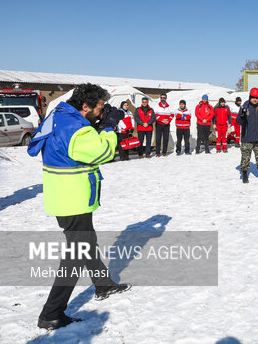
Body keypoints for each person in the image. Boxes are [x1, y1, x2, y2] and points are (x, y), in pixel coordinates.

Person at [27, 83, 130, 330]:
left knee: (86, 241)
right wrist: (108, 127)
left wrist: (95, 123)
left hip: (62, 196)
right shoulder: (77, 129)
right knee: (77, 253)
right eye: (100, 107)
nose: (102, 111)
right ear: (85, 106)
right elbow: (103, 152)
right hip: (73, 198)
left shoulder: (60, 116)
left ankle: (103, 284)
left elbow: (68, 144)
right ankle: (51, 313)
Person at [237, 87, 258, 183]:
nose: (255, 99)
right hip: (247, 137)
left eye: (257, 97)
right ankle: (244, 174)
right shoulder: (244, 107)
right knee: (245, 158)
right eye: (253, 97)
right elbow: (238, 121)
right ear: (250, 97)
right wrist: (242, 115)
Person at [154, 93, 174, 157]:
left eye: (164, 98)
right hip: (159, 124)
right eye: (161, 98)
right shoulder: (157, 105)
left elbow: (172, 114)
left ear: (166, 98)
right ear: (160, 98)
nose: (163, 99)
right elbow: (155, 115)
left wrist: (168, 120)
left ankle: (164, 152)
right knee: (158, 139)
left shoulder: (169, 106)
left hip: (167, 125)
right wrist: (161, 120)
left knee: (166, 139)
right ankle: (157, 152)